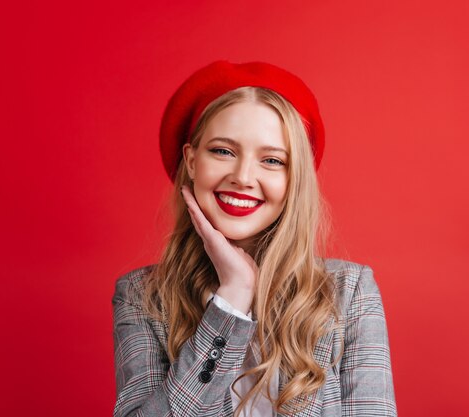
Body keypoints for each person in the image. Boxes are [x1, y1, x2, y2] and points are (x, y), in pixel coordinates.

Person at [112, 61, 397, 417]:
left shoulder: (349, 292)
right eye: (223, 151)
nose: (244, 177)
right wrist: (231, 301)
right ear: (190, 161)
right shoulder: (142, 297)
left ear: (296, 179)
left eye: (273, 160)